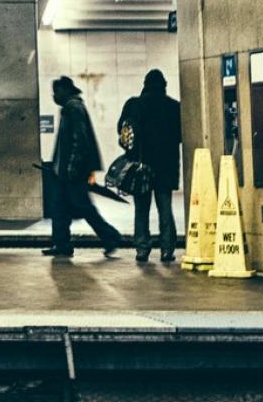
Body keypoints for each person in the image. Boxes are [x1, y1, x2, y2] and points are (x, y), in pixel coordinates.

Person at [45, 76, 122, 260]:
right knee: (60, 208)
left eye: (56, 91)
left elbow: (80, 141)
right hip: (65, 171)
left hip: (73, 171)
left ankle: (111, 236)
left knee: (82, 206)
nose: (54, 95)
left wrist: (71, 167)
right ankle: (61, 243)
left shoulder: (74, 108)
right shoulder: (69, 108)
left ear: (65, 90)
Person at [118, 69, 183, 264]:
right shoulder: (174, 107)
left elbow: (123, 133)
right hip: (166, 166)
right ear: (164, 85)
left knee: (141, 209)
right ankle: (167, 249)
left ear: (145, 84)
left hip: (140, 166)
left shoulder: (134, 105)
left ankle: (142, 248)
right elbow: (180, 136)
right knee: (165, 208)